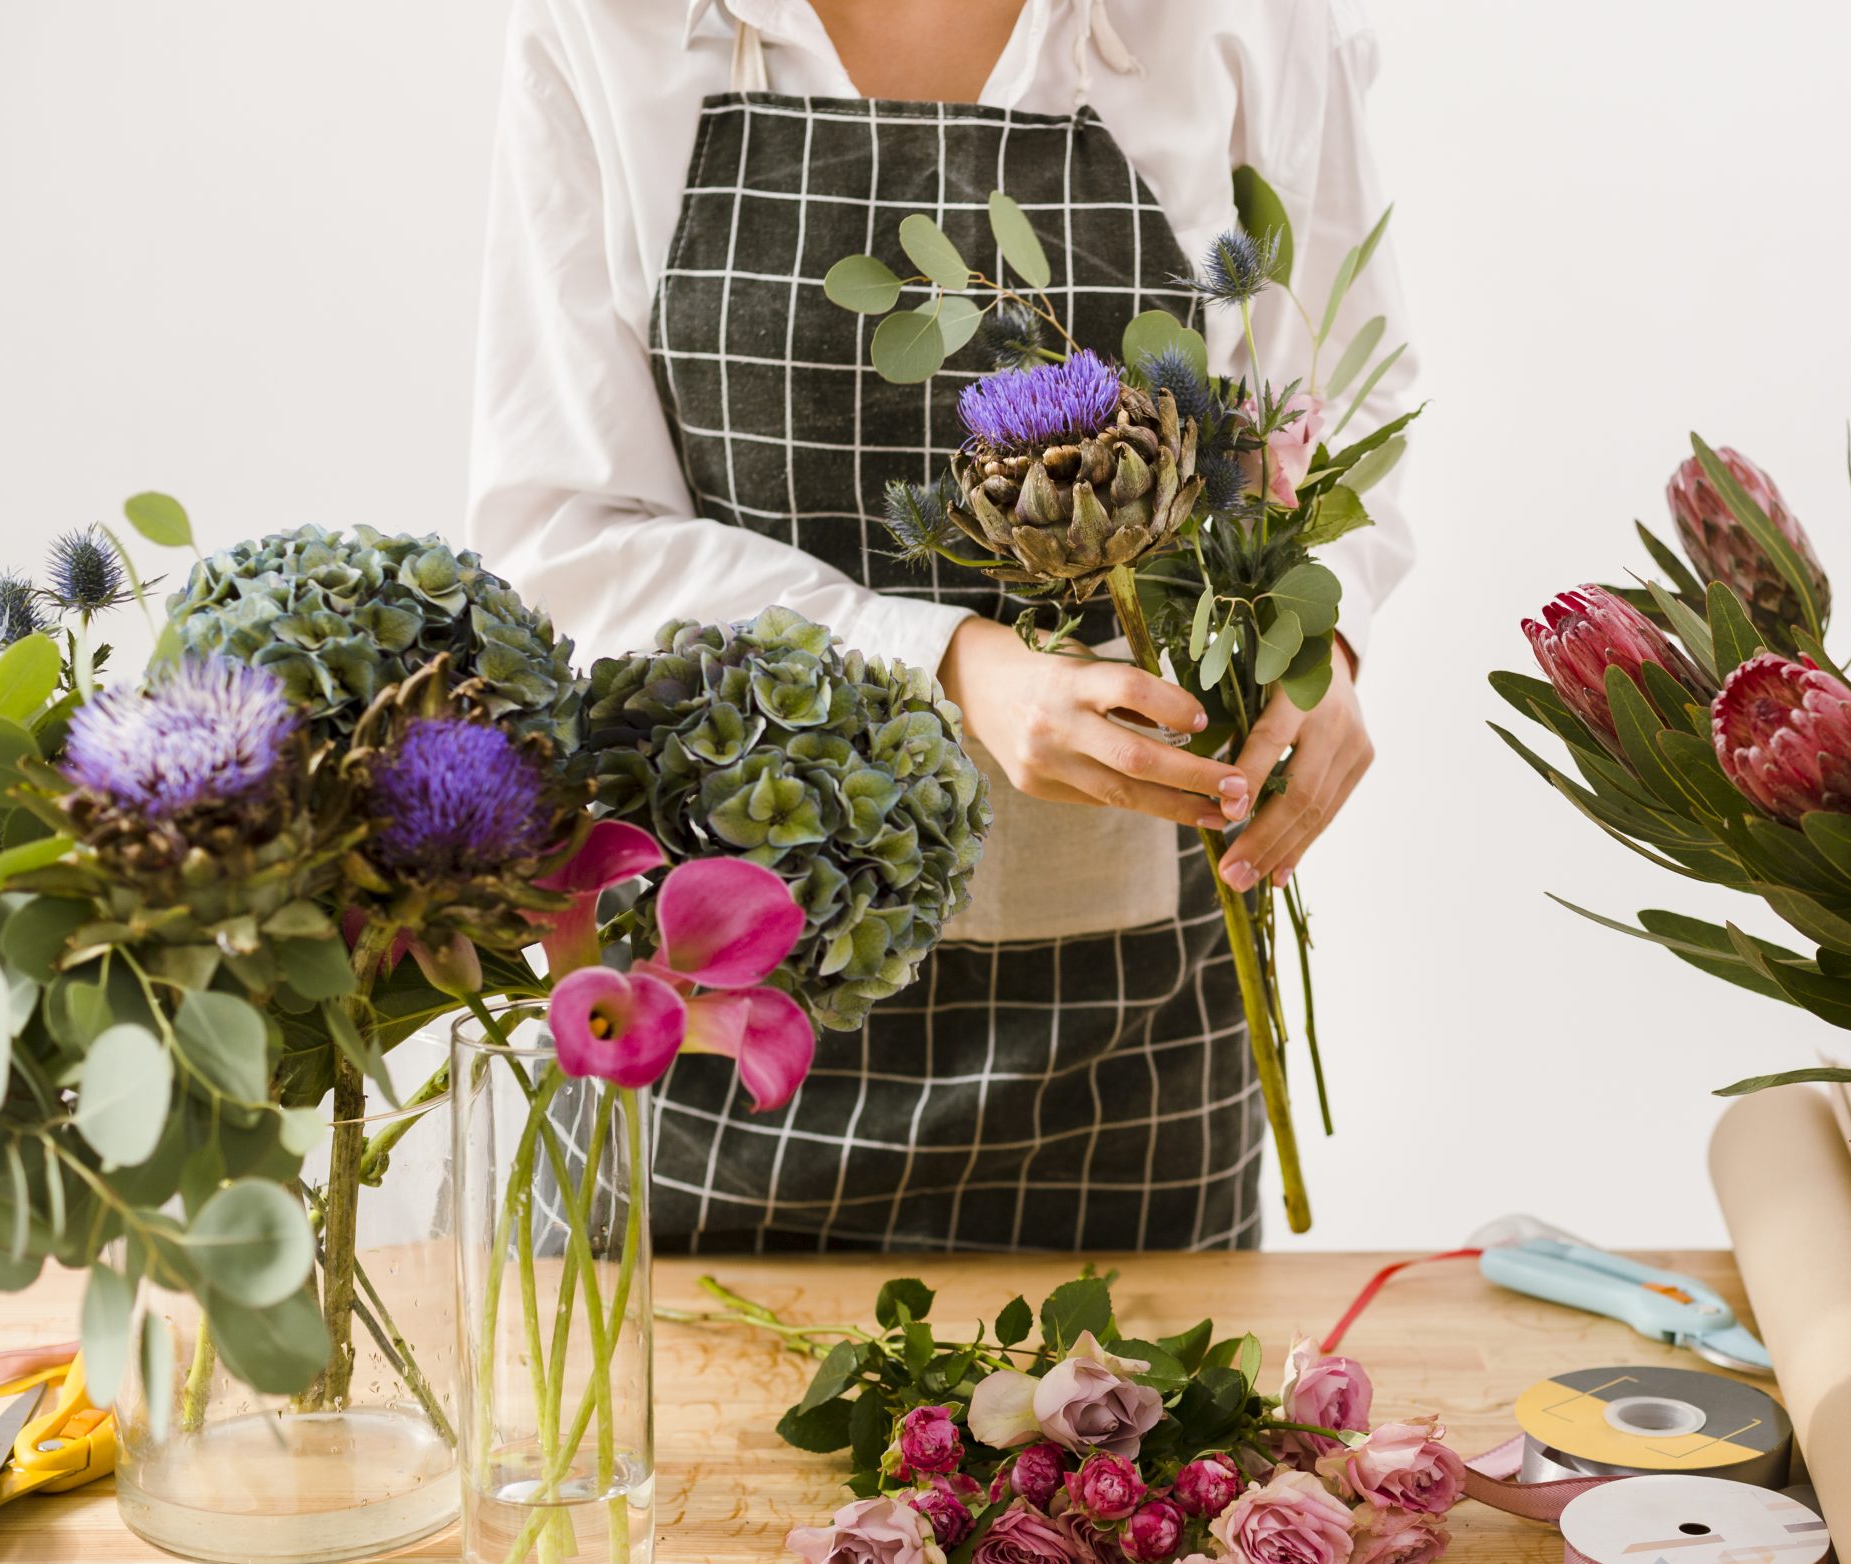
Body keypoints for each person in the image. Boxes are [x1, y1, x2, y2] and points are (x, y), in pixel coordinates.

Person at [468, 0, 1416, 1252]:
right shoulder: (609, 26)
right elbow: (566, 536)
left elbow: (1340, 400)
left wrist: (1316, 641)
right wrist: (949, 663)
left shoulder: (1246, 22)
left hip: (1131, 1054)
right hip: (712, 1024)